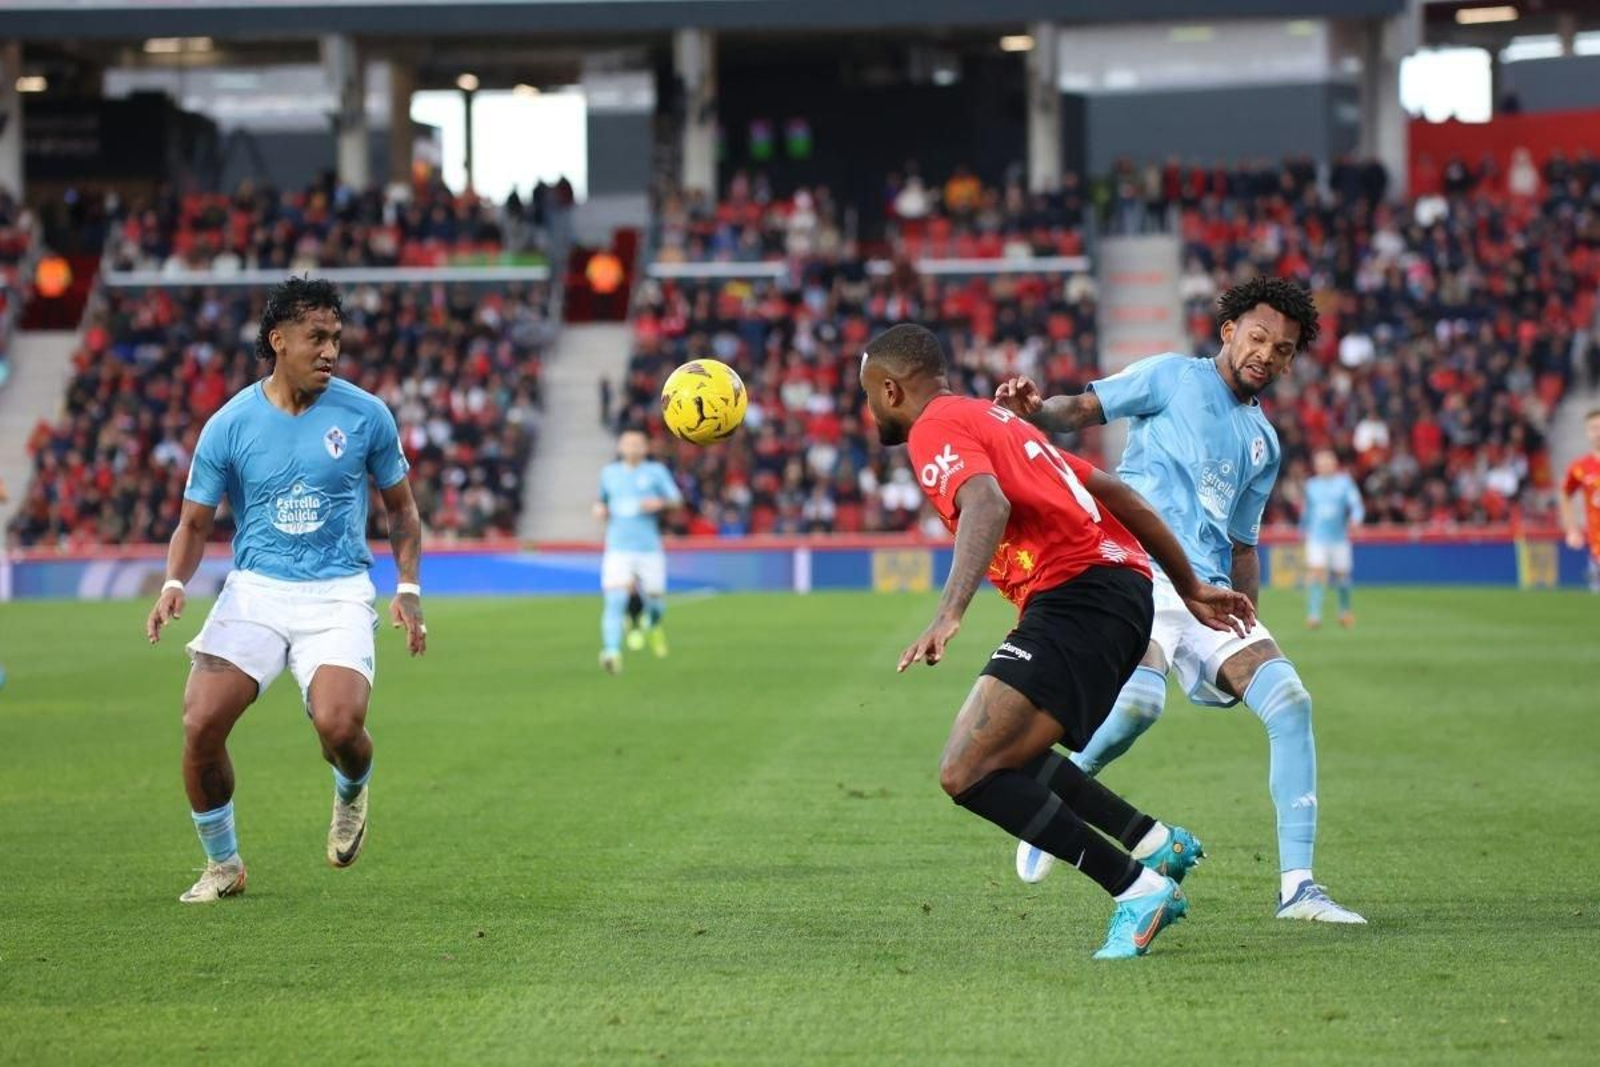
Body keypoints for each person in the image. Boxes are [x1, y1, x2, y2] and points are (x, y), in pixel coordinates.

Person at [863, 323, 1256, 959]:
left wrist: (949, 612)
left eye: (869, 398)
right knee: (1008, 753)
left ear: (889, 389)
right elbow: (1114, 492)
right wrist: (1185, 586)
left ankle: (1136, 889)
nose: (870, 411)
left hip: (1079, 595)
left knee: (965, 772)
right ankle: (1156, 843)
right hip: (1117, 590)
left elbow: (984, 505)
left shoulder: (935, 427)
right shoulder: (1001, 423)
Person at [995, 276, 1366, 924]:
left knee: (1290, 701)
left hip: (1206, 586)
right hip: (1136, 566)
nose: (1266, 355)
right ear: (1228, 331)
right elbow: (1079, 411)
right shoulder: (1171, 377)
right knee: (1138, 704)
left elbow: (1242, 543)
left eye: (1282, 349)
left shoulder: (1265, 443)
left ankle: (1299, 887)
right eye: (1258, 337)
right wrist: (1034, 410)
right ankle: (1055, 799)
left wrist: (1248, 615)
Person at [145, 277, 427, 904]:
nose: (330, 350)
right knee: (199, 723)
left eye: (336, 338)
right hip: (257, 592)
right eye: (316, 337)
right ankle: (224, 866)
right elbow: (194, 523)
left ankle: (351, 790)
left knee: (339, 727)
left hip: (338, 592)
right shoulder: (230, 424)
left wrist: (406, 586)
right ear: (278, 341)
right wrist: (173, 581)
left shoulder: (365, 415)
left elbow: (402, 513)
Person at [594, 428, 681, 673]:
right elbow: (601, 501)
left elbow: (677, 499)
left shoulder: (656, 472)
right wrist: (599, 509)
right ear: (620, 447)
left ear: (645, 448)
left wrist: (660, 503)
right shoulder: (609, 473)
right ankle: (611, 652)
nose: (632, 447)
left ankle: (651, 624)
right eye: (627, 443)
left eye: (637, 443)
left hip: (648, 548)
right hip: (618, 548)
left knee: (655, 604)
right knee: (615, 600)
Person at [1301, 449, 1365, 628]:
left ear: (1334, 465)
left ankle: (1344, 611)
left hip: (1339, 537)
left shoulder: (1344, 484)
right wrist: (1302, 528)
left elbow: (1356, 505)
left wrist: (1356, 519)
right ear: (1316, 467)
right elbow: (1308, 511)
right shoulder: (1311, 485)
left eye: (1327, 463)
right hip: (1317, 536)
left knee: (1342, 575)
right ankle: (1314, 615)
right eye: (1321, 464)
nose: (1324, 467)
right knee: (1316, 572)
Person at [1559, 410, 1600, 593]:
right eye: (1593, 428)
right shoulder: (1580, 467)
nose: (1598, 432)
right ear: (1587, 432)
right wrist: (1572, 528)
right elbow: (1565, 494)